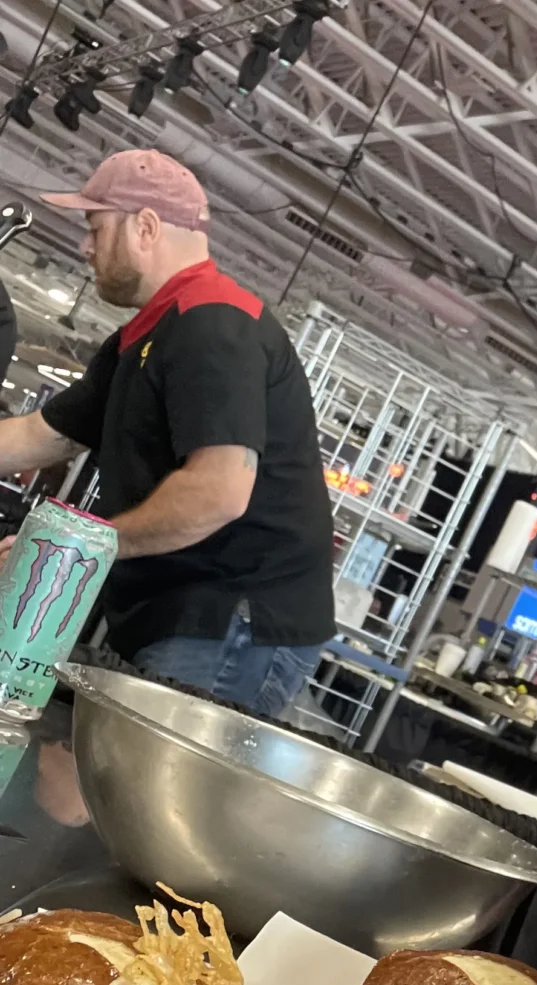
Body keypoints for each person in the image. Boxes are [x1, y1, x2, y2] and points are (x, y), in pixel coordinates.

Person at [0, 150, 334, 716]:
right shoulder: (145, 335)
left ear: (146, 226)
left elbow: (218, 492)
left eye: (95, 227)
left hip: (231, 619)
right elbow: (45, 434)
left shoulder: (214, 324)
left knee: (143, 790)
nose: (85, 247)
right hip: (185, 612)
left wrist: (69, 553)